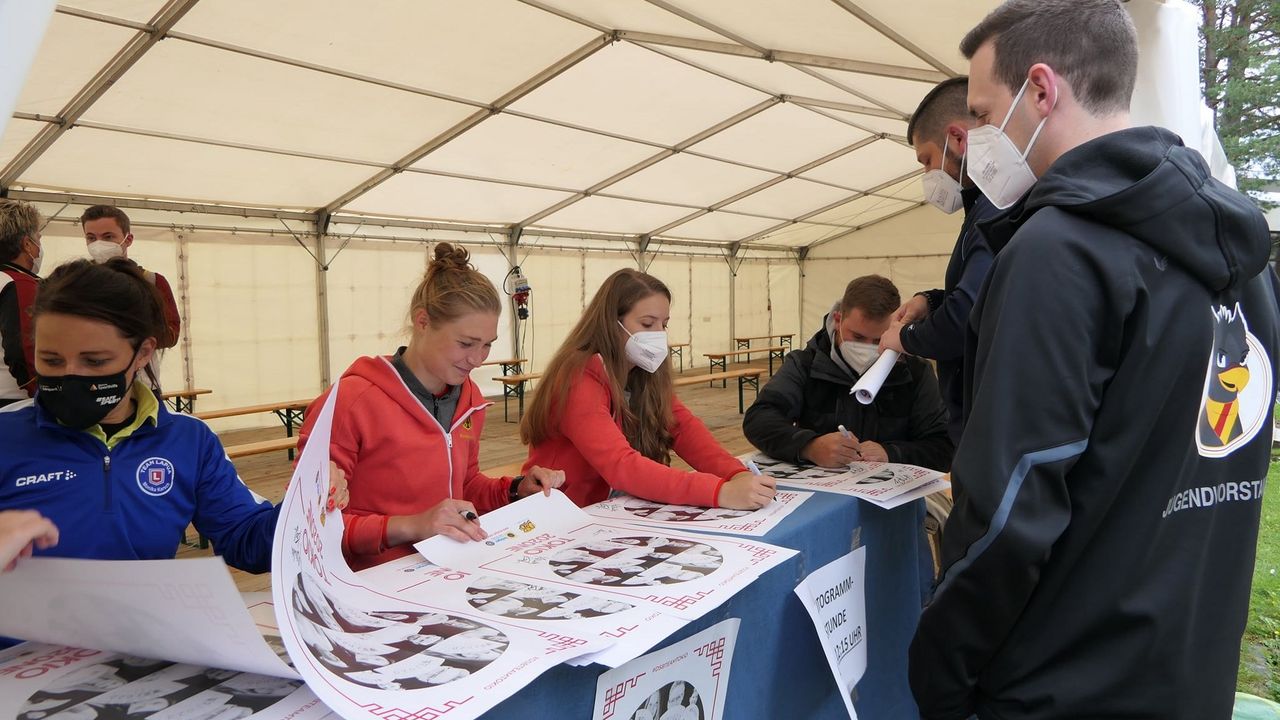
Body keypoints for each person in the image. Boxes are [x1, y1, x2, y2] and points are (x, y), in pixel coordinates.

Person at [908, 2, 1280, 719]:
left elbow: (1007, 512)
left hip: (1063, 680)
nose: (975, 140)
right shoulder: (1245, 256)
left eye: (982, 114)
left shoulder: (1056, 252)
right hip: (1191, 665)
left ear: (1041, 91)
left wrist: (940, 672)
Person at [0, 258, 348, 576]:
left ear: (143, 353)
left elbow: (247, 541)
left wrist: (307, 501)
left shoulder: (188, 441)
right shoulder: (7, 435)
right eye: (51, 360)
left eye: (95, 362)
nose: (69, 375)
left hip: (141, 641)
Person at [297, 243, 563, 571]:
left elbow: (465, 488)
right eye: (465, 344)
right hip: (369, 582)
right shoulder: (352, 402)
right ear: (422, 322)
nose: (477, 359)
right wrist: (413, 525)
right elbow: (309, 523)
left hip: (446, 572)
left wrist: (515, 489)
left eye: (487, 346)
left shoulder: (468, 398)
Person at [520, 268, 775, 510]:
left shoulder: (640, 372)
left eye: (663, 324)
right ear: (611, 323)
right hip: (563, 513)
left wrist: (736, 473)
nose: (658, 334)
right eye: (647, 324)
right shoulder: (577, 377)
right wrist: (720, 492)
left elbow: (683, 428)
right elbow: (621, 466)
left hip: (607, 509)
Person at [877, 77, 1001, 445]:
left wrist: (906, 338)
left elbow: (967, 315)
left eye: (927, 159)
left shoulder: (995, 211)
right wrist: (930, 302)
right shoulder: (980, 208)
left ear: (957, 138)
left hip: (987, 422)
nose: (927, 174)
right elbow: (980, 293)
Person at [743, 275, 952, 470]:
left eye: (880, 340)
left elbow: (944, 445)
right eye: (858, 337)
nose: (868, 348)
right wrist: (810, 446)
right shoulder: (804, 364)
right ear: (838, 319)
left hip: (894, 493)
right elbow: (759, 419)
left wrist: (891, 453)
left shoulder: (916, 372)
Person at [81, 205, 181, 351]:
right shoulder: (75, 282)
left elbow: (172, 335)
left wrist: (124, 333)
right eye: (91, 238)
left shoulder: (152, 281)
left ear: (128, 240)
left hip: (138, 370)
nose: (98, 244)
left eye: (108, 237)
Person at [0, 199, 43, 406]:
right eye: (39, 239)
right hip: (14, 400)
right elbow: (25, 348)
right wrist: (45, 395)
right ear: (27, 244)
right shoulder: (19, 283)